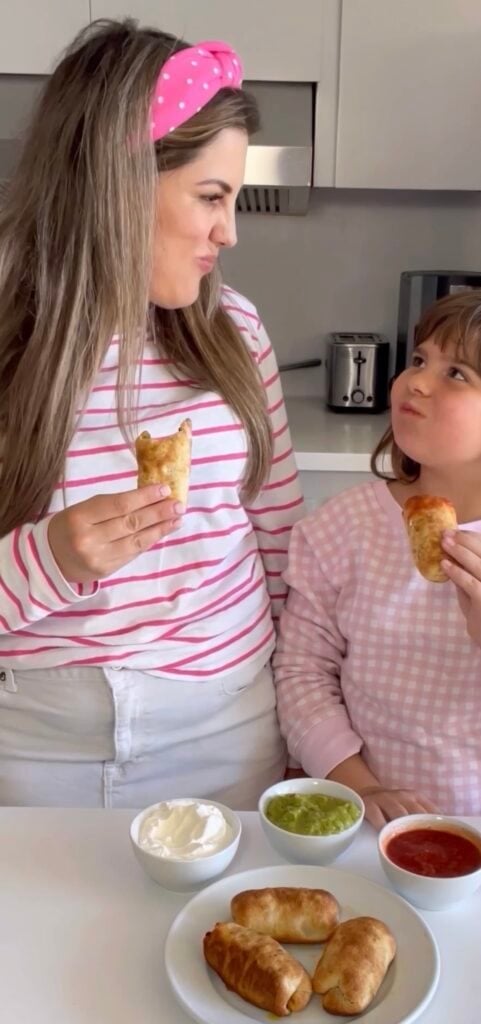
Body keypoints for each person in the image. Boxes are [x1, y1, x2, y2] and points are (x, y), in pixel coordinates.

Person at [0, 19, 304, 809]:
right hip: (28, 756)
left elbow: (279, 547)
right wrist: (49, 561)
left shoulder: (234, 330)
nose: (226, 232)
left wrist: (306, 733)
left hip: (229, 741)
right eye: (209, 196)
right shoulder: (9, 343)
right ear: (117, 180)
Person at [274, 289, 481, 828]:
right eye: (419, 360)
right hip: (354, 820)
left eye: (456, 373)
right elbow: (302, 672)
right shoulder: (343, 528)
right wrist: (359, 787)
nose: (415, 381)